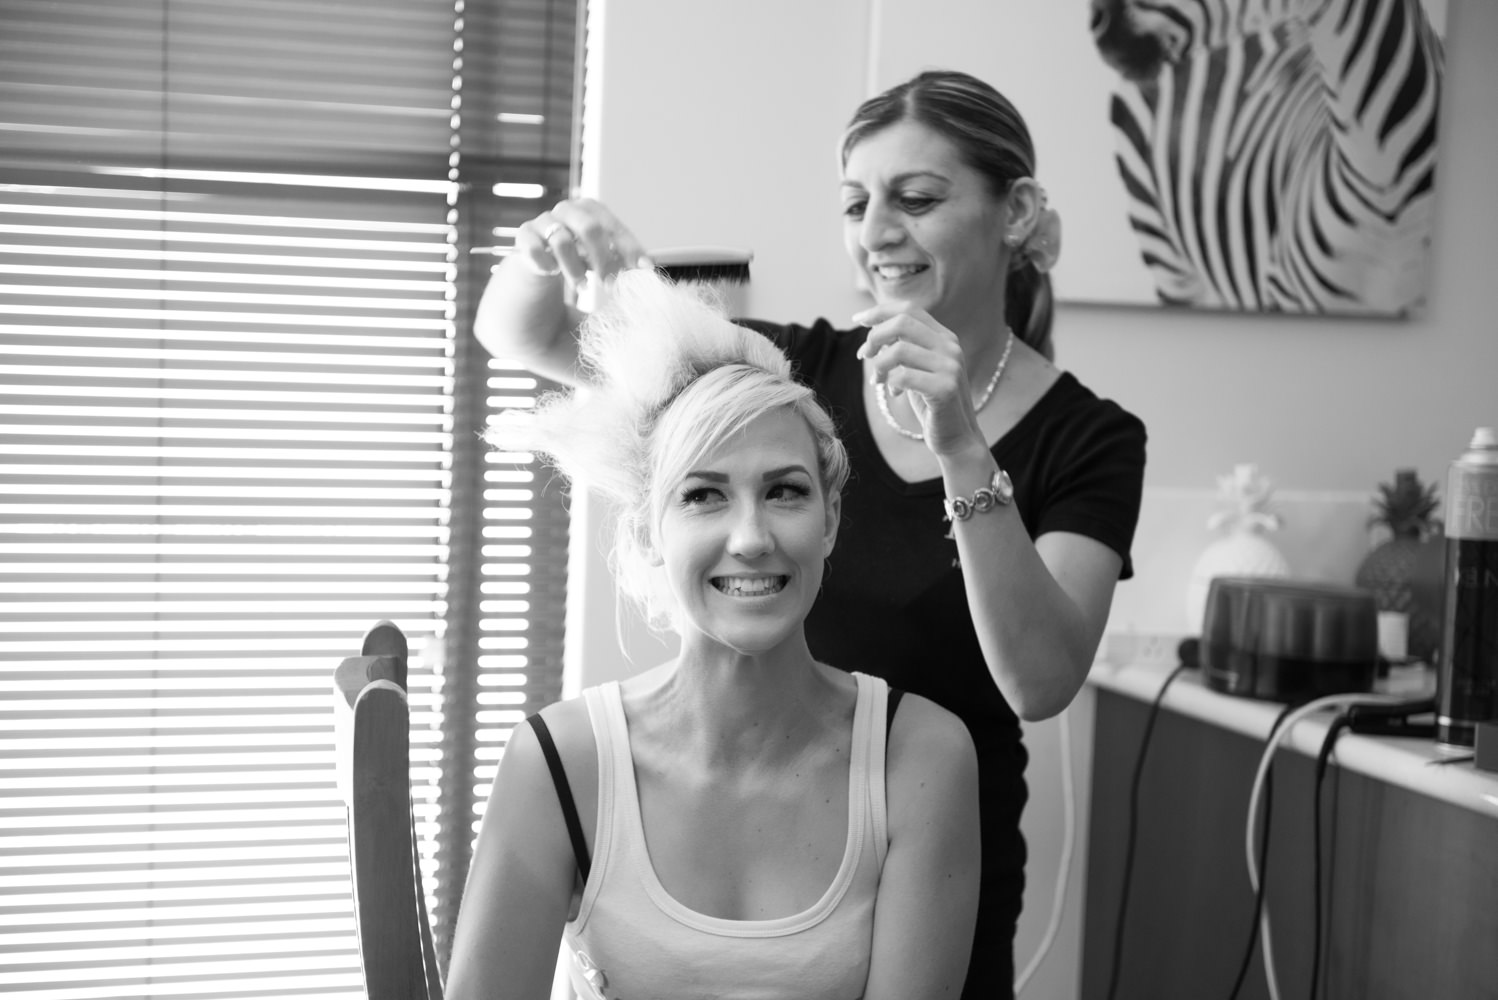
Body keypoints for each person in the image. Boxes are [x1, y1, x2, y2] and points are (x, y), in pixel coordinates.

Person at [472, 69, 1147, 998]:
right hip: (742, 817)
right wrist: (556, 249)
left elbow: (1039, 679)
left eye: (916, 198)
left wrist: (959, 446)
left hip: (931, 855)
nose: (877, 231)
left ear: (1017, 211)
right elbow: (523, 335)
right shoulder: (793, 374)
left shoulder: (1089, 438)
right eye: (856, 202)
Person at [446, 269, 982, 1000]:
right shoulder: (560, 763)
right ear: (646, 533)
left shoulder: (920, 759)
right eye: (703, 496)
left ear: (828, 520)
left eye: (785, 491)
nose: (752, 537)